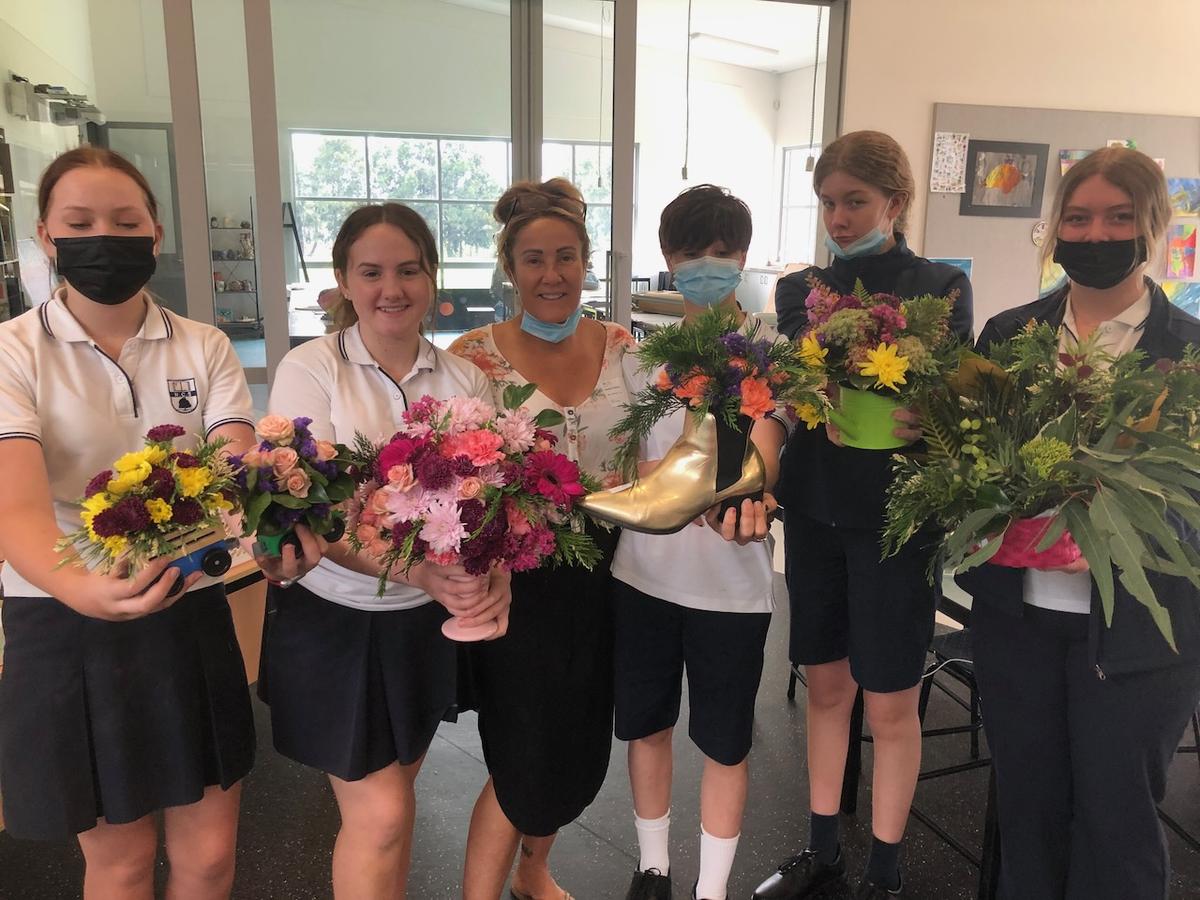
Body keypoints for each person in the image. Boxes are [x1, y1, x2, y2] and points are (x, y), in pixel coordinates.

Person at [0, 146, 320, 899]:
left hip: (186, 606)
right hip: (64, 616)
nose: (103, 238)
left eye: (125, 221)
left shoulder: (202, 345)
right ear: (45, 235)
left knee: (209, 857)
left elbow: (236, 467)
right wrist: (84, 590)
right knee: (121, 862)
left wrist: (276, 534)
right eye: (80, 222)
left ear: (155, 231)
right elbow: (14, 507)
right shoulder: (13, 351)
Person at [960, 146, 1200, 900]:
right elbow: (967, 463)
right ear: (1055, 226)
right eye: (1079, 217)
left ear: (1152, 225)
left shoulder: (1189, 351)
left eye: (1119, 217)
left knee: (1117, 821)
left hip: (1139, 635)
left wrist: (1124, 538)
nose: (1096, 235)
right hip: (1018, 624)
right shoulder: (1008, 335)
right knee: (1027, 813)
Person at [263, 202, 512, 900]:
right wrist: (420, 572)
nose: (391, 289)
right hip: (337, 621)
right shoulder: (312, 369)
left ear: (431, 277)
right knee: (380, 817)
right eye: (371, 272)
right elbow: (317, 512)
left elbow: (495, 497)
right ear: (344, 280)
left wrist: (495, 574)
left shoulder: (464, 379)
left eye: (408, 270)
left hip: (421, 625)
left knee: (396, 804)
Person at [753, 131, 974, 900]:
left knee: (890, 701)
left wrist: (932, 415)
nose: (839, 218)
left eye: (854, 201)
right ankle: (823, 851)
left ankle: (885, 869)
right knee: (825, 688)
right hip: (816, 513)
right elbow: (794, 380)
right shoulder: (799, 290)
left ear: (896, 201)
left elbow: (957, 399)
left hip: (899, 522)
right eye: (827, 203)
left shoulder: (942, 286)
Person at [449, 177, 636, 900]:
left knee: (579, 739)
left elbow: (657, 453)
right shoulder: (472, 357)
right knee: (524, 750)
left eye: (566, 257)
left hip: (610, 572)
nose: (551, 274)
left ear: (587, 261)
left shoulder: (622, 347)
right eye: (534, 259)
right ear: (510, 267)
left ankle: (533, 870)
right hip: (517, 579)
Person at [613, 185, 789, 900]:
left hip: (732, 589)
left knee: (725, 742)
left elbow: (767, 454)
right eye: (691, 253)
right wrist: (645, 483)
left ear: (743, 256)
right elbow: (629, 461)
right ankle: (652, 869)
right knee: (647, 728)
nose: (706, 266)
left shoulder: (771, 358)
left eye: (721, 253)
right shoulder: (639, 359)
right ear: (668, 256)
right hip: (642, 577)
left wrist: (737, 492)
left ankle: (711, 890)